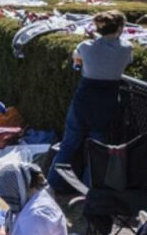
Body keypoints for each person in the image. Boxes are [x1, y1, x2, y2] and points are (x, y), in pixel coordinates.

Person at [47, 10, 132, 191]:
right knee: (96, 151)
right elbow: (122, 55)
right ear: (119, 28)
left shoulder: (85, 46)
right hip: (107, 102)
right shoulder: (126, 48)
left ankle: (52, 184)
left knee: (68, 145)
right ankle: (89, 193)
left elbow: (77, 57)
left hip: (84, 99)